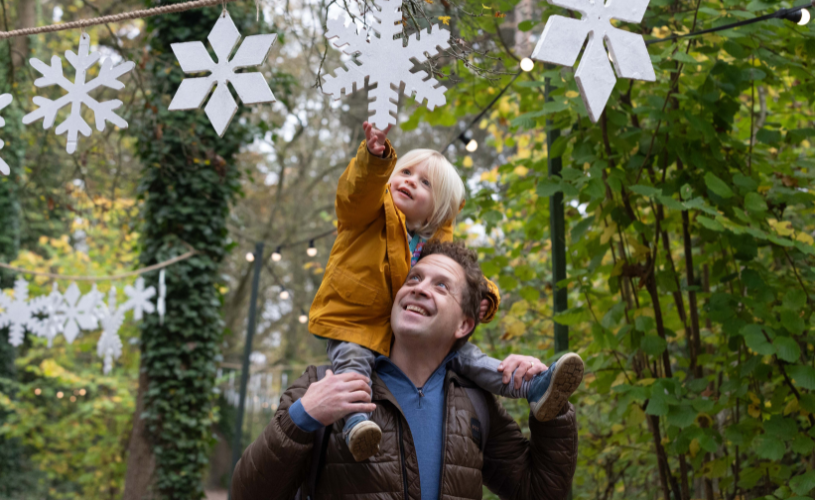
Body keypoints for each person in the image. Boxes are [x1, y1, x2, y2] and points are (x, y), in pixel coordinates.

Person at [307, 122, 584, 461]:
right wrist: (375, 158)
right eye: (405, 171)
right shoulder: (367, 215)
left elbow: (460, 276)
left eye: (425, 183)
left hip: (400, 334)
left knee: (466, 355)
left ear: (437, 209)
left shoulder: (433, 247)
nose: (410, 180)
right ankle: (356, 424)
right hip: (353, 322)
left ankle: (531, 387)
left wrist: (483, 296)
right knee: (352, 366)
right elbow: (355, 193)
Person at [232, 240, 580, 500]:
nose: (419, 288)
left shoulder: (476, 403)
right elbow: (247, 494)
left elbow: (541, 492)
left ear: (464, 325)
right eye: (414, 278)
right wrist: (301, 417)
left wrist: (552, 404)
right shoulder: (323, 384)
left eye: (441, 285)